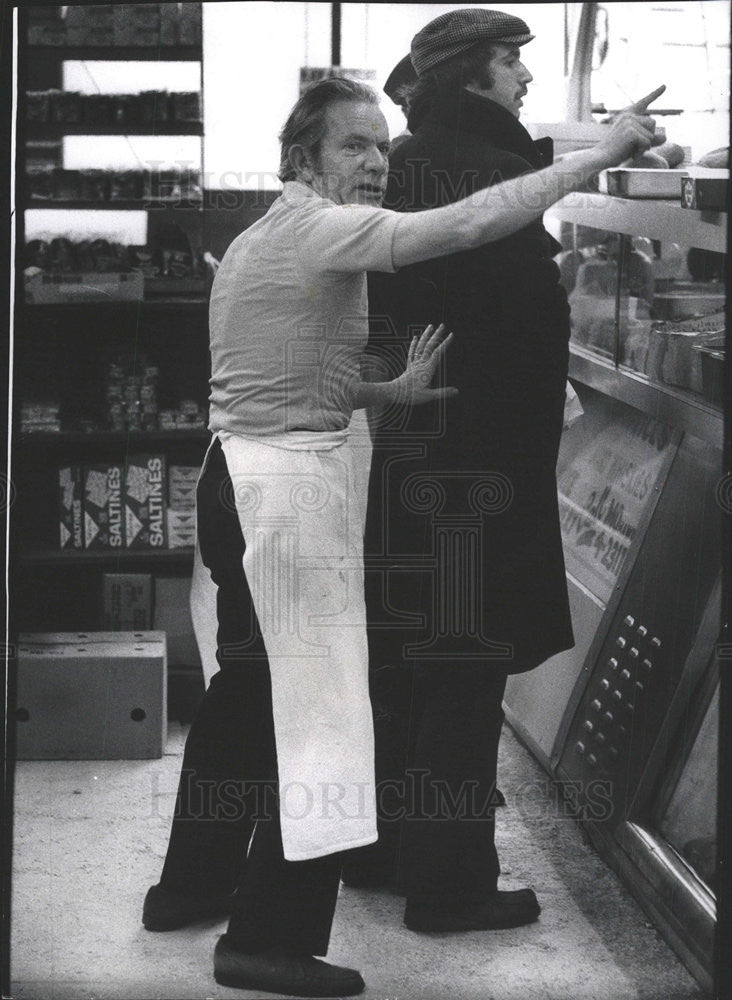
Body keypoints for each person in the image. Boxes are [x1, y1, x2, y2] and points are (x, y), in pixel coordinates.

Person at [142, 72, 660, 997]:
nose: (377, 162)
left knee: (254, 700)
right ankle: (264, 941)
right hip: (286, 498)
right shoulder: (321, 229)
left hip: (245, 479)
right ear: (304, 159)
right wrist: (603, 155)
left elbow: (274, 377)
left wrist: (382, 395)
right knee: (326, 722)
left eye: (381, 144)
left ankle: (190, 887)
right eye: (354, 145)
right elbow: (463, 223)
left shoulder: (269, 234)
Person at [354, 8, 666, 935]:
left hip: (418, 457)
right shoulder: (483, 170)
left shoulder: (415, 159)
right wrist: (553, 287)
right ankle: (449, 886)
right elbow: (514, 317)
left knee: (407, 666)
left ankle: (385, 852)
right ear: (472, 74)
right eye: (509, 63)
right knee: (465, 669)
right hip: (475, 465)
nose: (524, 78)